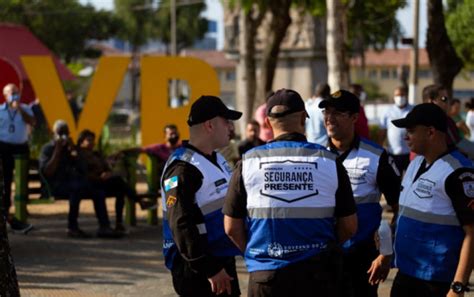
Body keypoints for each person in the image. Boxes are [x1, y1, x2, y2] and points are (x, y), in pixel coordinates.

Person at [223, 88, 358, 297]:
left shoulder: (248, 162)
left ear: (267, 123)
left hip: (266, 276)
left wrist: (259, 256)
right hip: (318, 274)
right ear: (304, 117)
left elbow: (231, 227)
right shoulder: (330, 162)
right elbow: (349, 226)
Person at [319, 90, 401, 297]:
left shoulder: (376, 156)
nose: (329, 118)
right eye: (326, 112)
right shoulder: (314, 155)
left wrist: (385, 253)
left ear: (355, 117)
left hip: (362, 257)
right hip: (322, 255)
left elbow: (400, 207)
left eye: (338, 113)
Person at [161, 95, 242, 296]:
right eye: (226, 122)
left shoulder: (217, 157)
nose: (230, 128)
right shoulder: (182, 168)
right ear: (209, 125)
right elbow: (181, 223)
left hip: (220, 260)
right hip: (200, 269)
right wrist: (210, 268)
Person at [391, 103, 474, 297]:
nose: (405, 136)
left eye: (411, 131)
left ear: (430, 132)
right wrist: (386, 255)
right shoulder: (415, 163)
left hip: (436, 280)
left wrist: (458, 286)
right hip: (406, 272)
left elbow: (472, 233)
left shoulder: (459, 172)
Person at [39, 120, 121, 239]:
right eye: (61, 133)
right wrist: (57, 150)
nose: (63, 136)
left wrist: (75, 151)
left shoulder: (70, 150)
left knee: (97, 191)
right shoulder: (48, 149)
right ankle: (72, 228)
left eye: (66, 133)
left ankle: (104, 227)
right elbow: (48, 172)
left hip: (73, 183)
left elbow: (82, 168)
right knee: (76, 190)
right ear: (54, 133)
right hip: (55, 186)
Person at [76, 129, 155, 232]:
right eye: (89, 140)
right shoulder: (79, 156)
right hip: (92, 184)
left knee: (120, 190)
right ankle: (140, 201)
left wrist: (108, 172)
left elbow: (106, 167)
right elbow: (83, 173)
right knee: (118, 182)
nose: (92, 143)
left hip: (103, 182)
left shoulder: (96, 154)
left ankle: (119, 223)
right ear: (81, 141)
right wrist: (98, 177)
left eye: (93, 140)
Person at [0, 83, 35, 233]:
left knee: (22, 181)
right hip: (4, 147)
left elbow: (32, 122)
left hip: (21, 147)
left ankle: (22, 212)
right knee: (6, 180)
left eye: (16, 92)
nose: (14, 94)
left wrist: (18, 108)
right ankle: (7, 213)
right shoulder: (0, 111)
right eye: (11, 92)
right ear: (5, 95)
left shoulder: (26, 109)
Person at [422, 84, 474, 159]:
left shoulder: (447, 120)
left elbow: (459, 143)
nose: (448, 102)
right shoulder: (421, 124)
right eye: (444, 99)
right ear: (431, 101)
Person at [379, 86, 414, 174]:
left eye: (402, 95)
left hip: (410, 153)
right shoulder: (387, 111)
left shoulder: (413, 110)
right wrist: (379, 148)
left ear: (406, 95)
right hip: (393, 153)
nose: (400, 97)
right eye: (397, 95)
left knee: (410, 178)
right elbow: (383, 131)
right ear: (394, 97)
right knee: (394, 179)